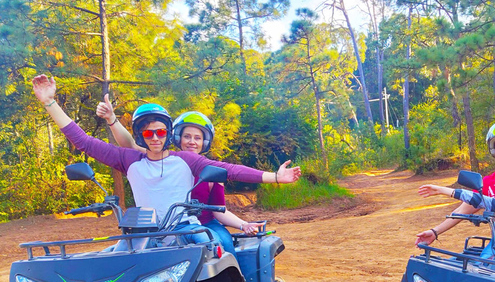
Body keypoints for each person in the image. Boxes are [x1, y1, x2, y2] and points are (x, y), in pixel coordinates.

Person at [32, 74, 300, 244]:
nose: (155, 136)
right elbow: (84, 142)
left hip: (187, 229)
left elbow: (229, 170)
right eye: (148, 132)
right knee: (109, 263)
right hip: (147, 234)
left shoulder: (187, 160)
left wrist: (274, 177)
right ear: (141, 134)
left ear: (168, 133)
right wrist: (49, 103)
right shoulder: (130, 160)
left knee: (216, 254)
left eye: (161, 131)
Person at [97, 95, 273, 255]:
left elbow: (220, 210)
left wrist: (243, 224)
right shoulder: (164, 161)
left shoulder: (212, 170)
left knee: (224, 244)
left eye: (197, 138)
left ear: (205, 142)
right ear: (177, 137)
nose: (191, 142)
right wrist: (112, 120)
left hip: (203, 224)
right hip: (169, 226)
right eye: (187, 136)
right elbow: (131, 146)